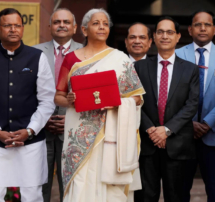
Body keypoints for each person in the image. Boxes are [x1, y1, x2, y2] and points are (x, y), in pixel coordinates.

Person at [54, 8, 145, 202]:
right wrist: (69, 100)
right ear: (85, 30)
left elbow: (137, 97)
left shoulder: (120, 58)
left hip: (109, 133)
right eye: (96, 23)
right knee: (80, 181)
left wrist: (116, 103)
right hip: (77, 133)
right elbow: (58, 96)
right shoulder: (71, 58)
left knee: (107, 184)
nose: (102, 27)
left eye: (105, 23)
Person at [0, 8, 55, 202]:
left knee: (32, 195)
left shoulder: (37, 57)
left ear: (23, 28)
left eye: (17, 25)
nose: (13, 29)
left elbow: (47, 100)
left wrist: (30, 130)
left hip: (30, 141)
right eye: (7, 25)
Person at [134, 16, 199, 202]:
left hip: (178, 145)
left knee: (176, 196)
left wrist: (166, 130)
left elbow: (192, 104)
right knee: (146, 196)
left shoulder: (190, 69)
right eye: (160, 32)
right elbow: (134, 102)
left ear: (178, 37)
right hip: (147, 143)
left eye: (170, 32)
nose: (165, 36)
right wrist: (152, 130)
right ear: (153, 37)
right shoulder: (139, 67)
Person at [175, 10, 215, 202]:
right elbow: (171, 96)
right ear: (190, 30)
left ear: (214, 30)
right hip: (182, 135)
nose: (202, 28)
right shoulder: (176, 55)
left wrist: (208, 123)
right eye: (198, 25)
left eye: (207, 24)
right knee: (179, 192)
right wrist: (187, 123)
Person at [33, 8, 82, 202]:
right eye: (57, 22)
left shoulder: (86, 52)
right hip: (40, 129)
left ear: (75, 27)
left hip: (72, 129)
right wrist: (40, 119)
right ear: (49, 26)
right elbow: (28, 91)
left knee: (70, 186)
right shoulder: (34, 52)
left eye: (66, 22)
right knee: (38, 185)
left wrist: (70, 118)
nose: (61, 25)